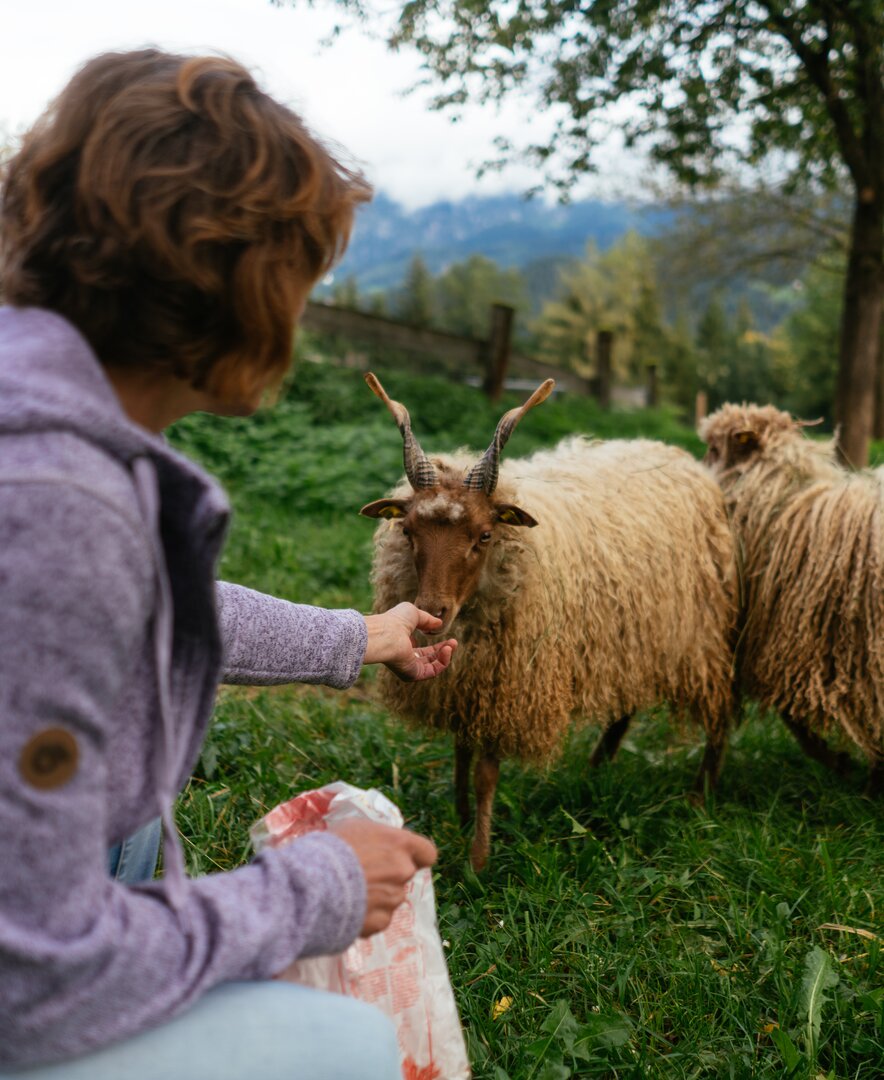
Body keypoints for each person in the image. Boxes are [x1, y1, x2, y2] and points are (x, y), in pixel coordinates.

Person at [0, 48, 457, 1078]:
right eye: (301, 271)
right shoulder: (52, 503)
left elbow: (147, 608)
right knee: (344, 1047)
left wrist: (361, 636)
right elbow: (26, 977)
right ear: (233, 282)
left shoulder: (50, 418)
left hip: (84, 854)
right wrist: (314, 890)